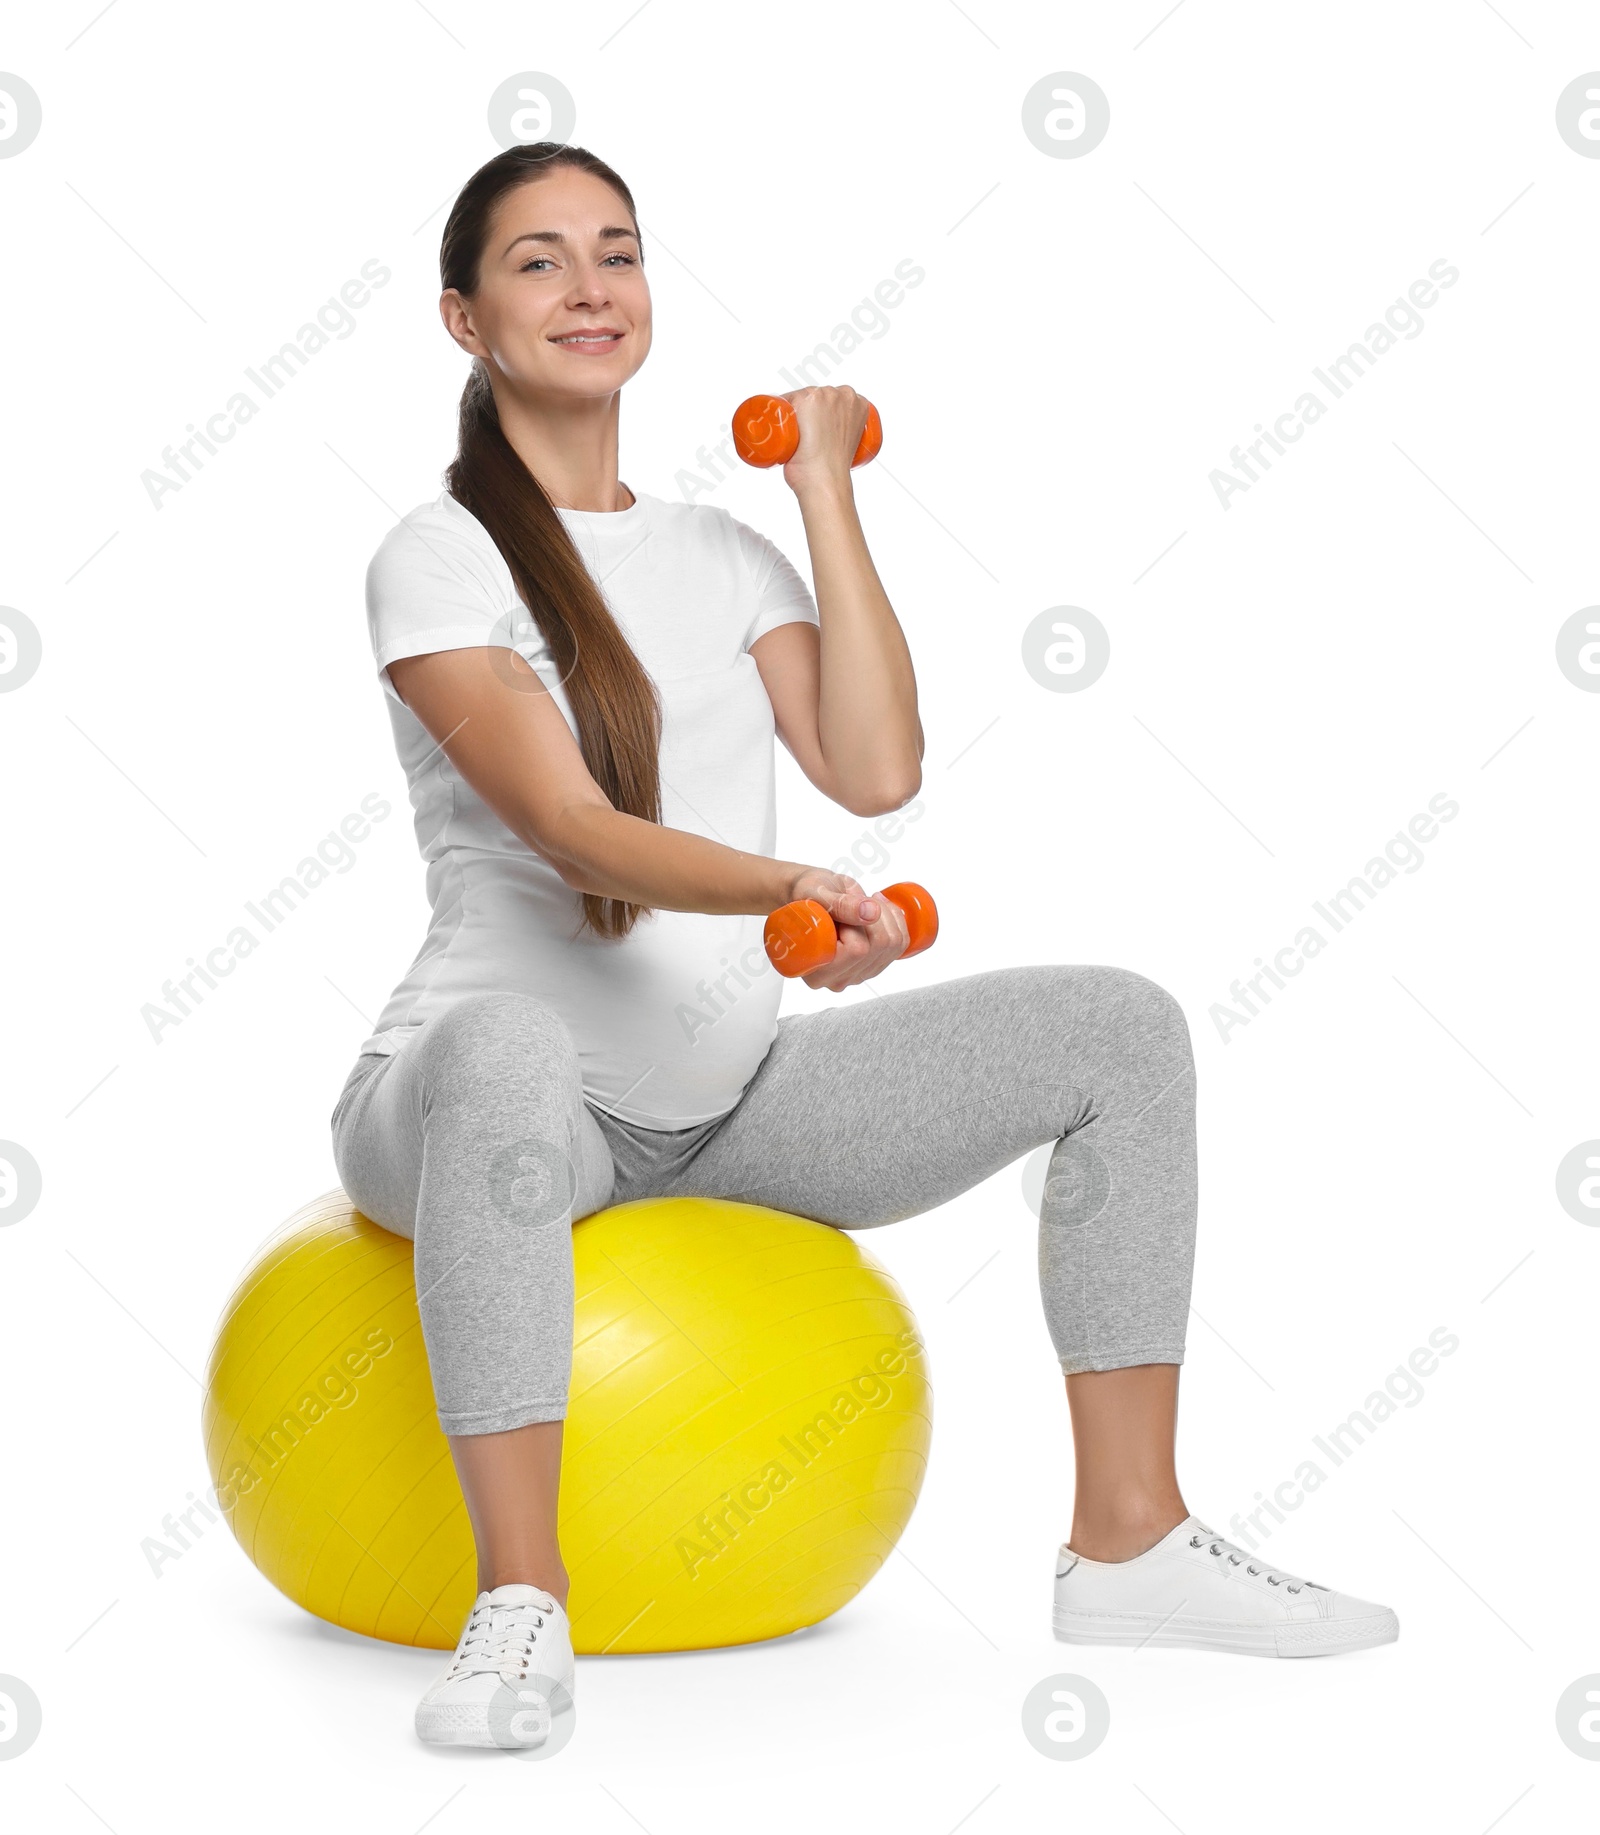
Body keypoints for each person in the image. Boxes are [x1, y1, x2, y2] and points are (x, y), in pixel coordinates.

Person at [330, 141, 1398, 1751]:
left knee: (1118, 1029)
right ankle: (521, 1608)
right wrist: (788, 898)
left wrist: (821, 490)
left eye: (616, 251)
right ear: (464, 320)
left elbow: (878, 766)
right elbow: (571, 827)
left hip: (733, 1102)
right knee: (508, 1047)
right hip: (484, 1106)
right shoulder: (441, 554)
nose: (588, 286)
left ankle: (1131, 1536)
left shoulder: (725, 558)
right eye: (538, 260)